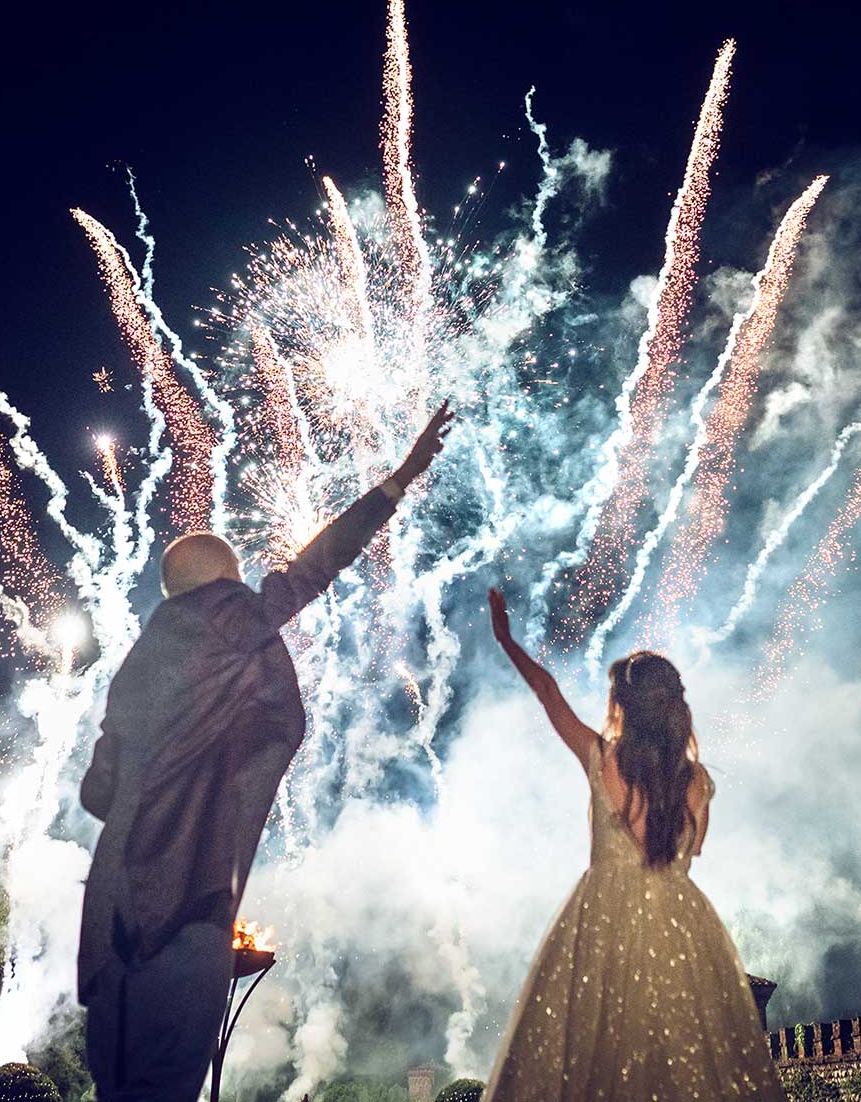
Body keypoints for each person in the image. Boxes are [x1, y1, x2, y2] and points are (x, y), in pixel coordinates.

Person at [77, 401, 456, 1102]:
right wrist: (399, 480)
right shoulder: (226, 618)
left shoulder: (135, 668)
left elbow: (96, 793)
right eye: (238, 583)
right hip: (184, 908)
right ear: (221, 586)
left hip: (109, 927)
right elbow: (313, 569)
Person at [480, 587, 789, 1101]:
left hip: (601, 921)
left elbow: (547, 691)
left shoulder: (600, 758)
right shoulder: (697, 780)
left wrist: (506, 639)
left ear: (620, 706)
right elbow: (694, 849)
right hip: (680, 926)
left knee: (592, 1058)